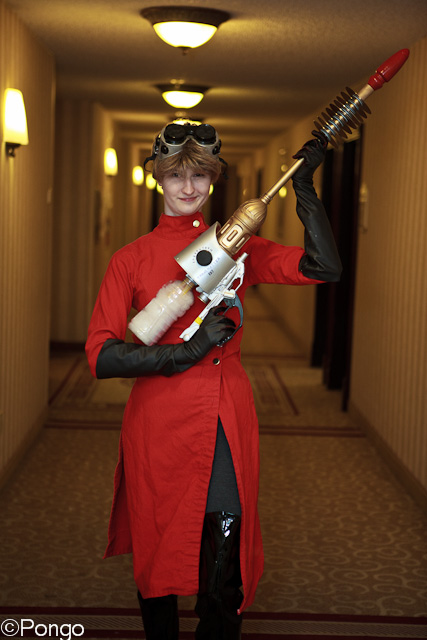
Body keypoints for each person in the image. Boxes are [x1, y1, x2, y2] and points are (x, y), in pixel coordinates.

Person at [85, 122, 342, 639]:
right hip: (158, 421)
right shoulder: (129, 259)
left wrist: (305, 190)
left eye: (199, 175)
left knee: (226, 556)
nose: (188, 187)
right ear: (158, 178)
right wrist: (185, 351)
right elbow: (101, 356)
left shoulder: (237, 247)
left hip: (225, 413)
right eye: (175, 175)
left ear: (213, 179)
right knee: (158, 549)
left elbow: (323, 268)